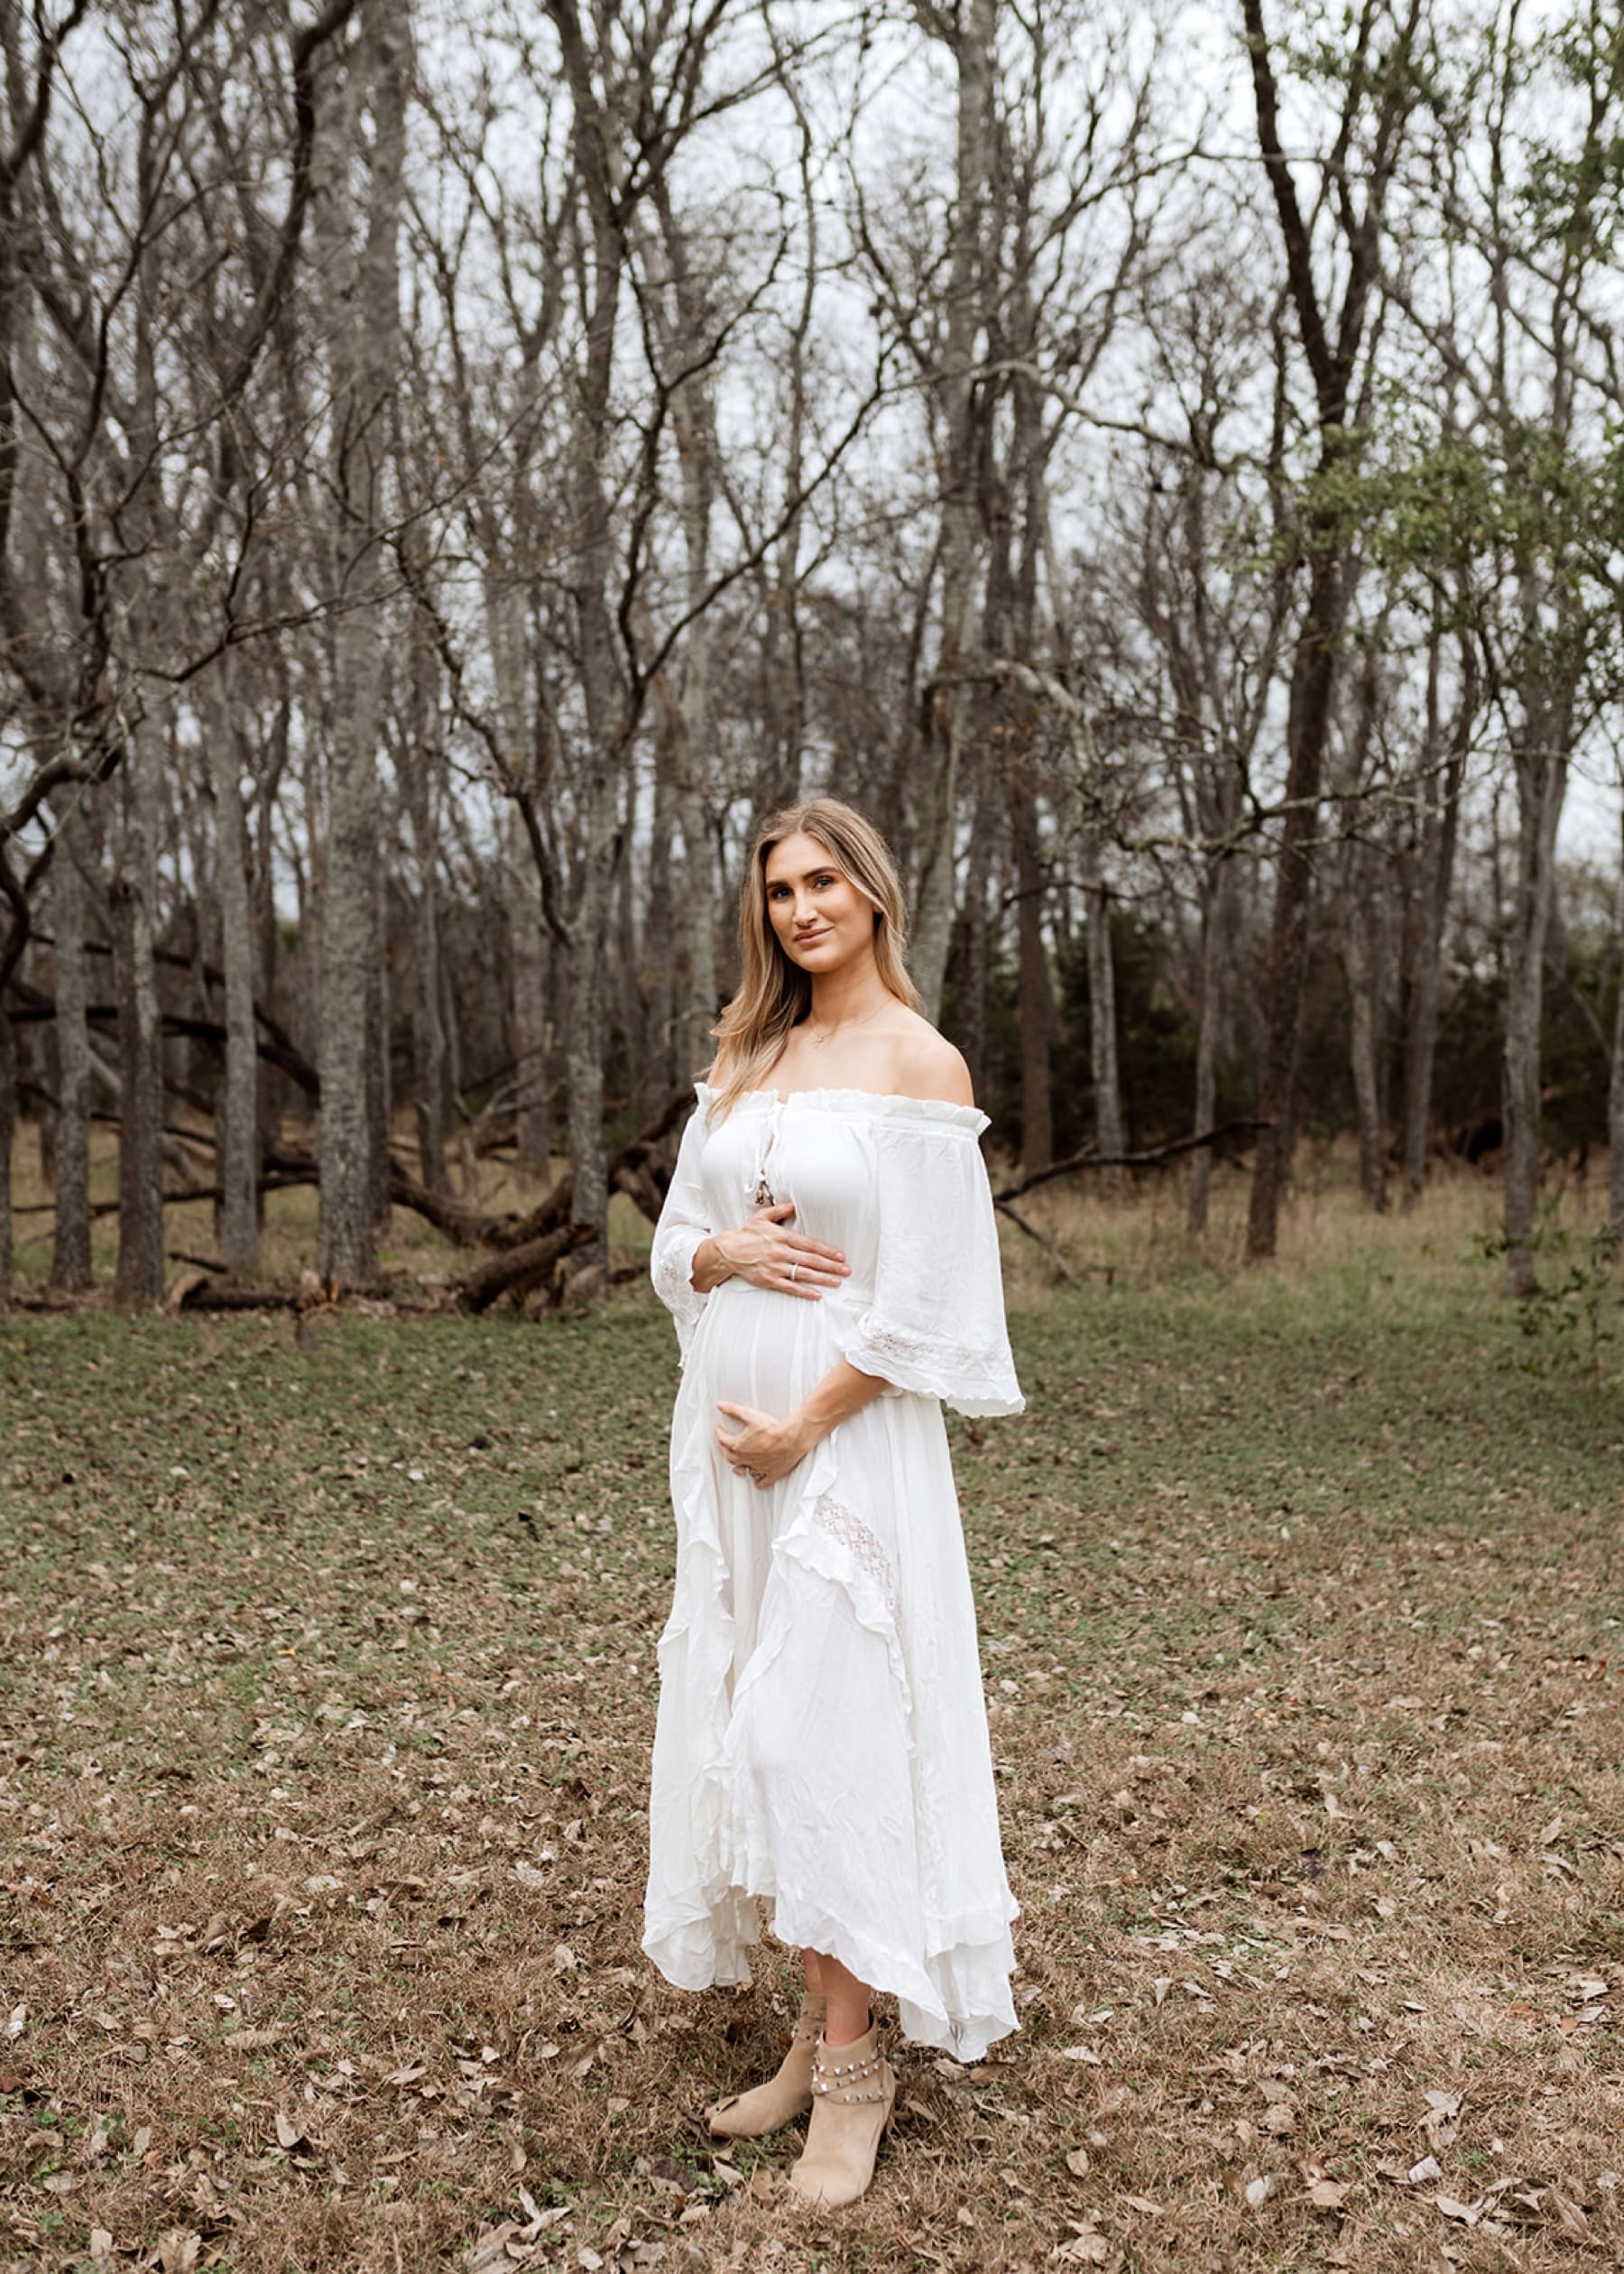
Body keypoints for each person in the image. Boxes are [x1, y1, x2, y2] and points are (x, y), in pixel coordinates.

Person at [643, 798, 1025, 2208]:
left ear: (873, 891)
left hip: (841, 1450)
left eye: (824, 883)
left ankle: (856, 2080)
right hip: (729, 1459)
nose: (801, 910)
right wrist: (725, 1251)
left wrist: (805, 1421)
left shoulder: (921, 1067)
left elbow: (935, 1307)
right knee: (761, 1731)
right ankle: (819, 2037)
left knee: (817, 1738)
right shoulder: (748, 1058)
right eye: (780, 892)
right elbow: (675, 1248)